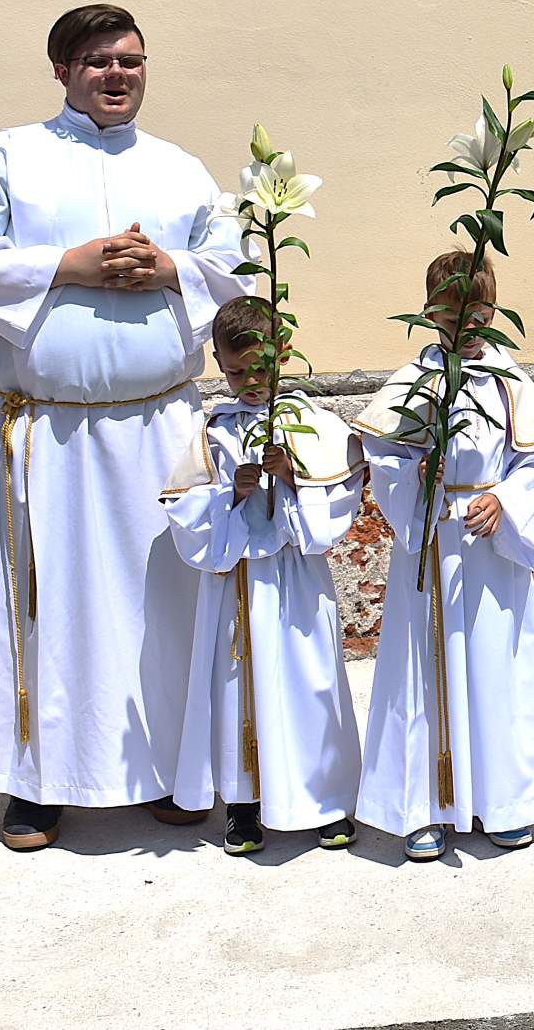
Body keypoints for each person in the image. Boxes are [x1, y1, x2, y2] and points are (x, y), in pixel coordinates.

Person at [0, 4, 248, 850]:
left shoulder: (178, 168)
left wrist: (170, 266)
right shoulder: (8, 157)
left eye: (130, 61)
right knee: (48, 612)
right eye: (98, 61)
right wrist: (65, 265)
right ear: (62, 70)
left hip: (159, 429)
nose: (116, 74)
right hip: (48, 434)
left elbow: (241, 266)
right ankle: (38, 785)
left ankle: (174, 770)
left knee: (163, 609)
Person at [351, 251, 534, 859]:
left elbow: (532, 462)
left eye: (479, 314)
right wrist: (418, 476)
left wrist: (503, 499)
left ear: (494, 311)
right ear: (429, 313)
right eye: (452, 315)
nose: (467, 327)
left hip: (490, 547)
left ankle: (503, 801)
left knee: (496, 668)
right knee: (424, 671)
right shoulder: (412, 385)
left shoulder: (508, 383)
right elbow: (384, 462)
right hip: (431, 548)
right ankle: (424, 805)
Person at [160, 297, 366, 855]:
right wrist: (232, 493)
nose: (250, 383)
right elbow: (185, 509)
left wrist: (294, 479)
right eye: (235, 373)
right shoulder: (214, 432)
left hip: (296, 578)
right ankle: (243, 805)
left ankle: (326, 801)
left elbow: (342, 499)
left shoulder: (314, 425)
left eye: (260, 369)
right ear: (218, 365)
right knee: (237, 690)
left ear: (284, 355)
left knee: (309, 682)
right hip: (236, 581)